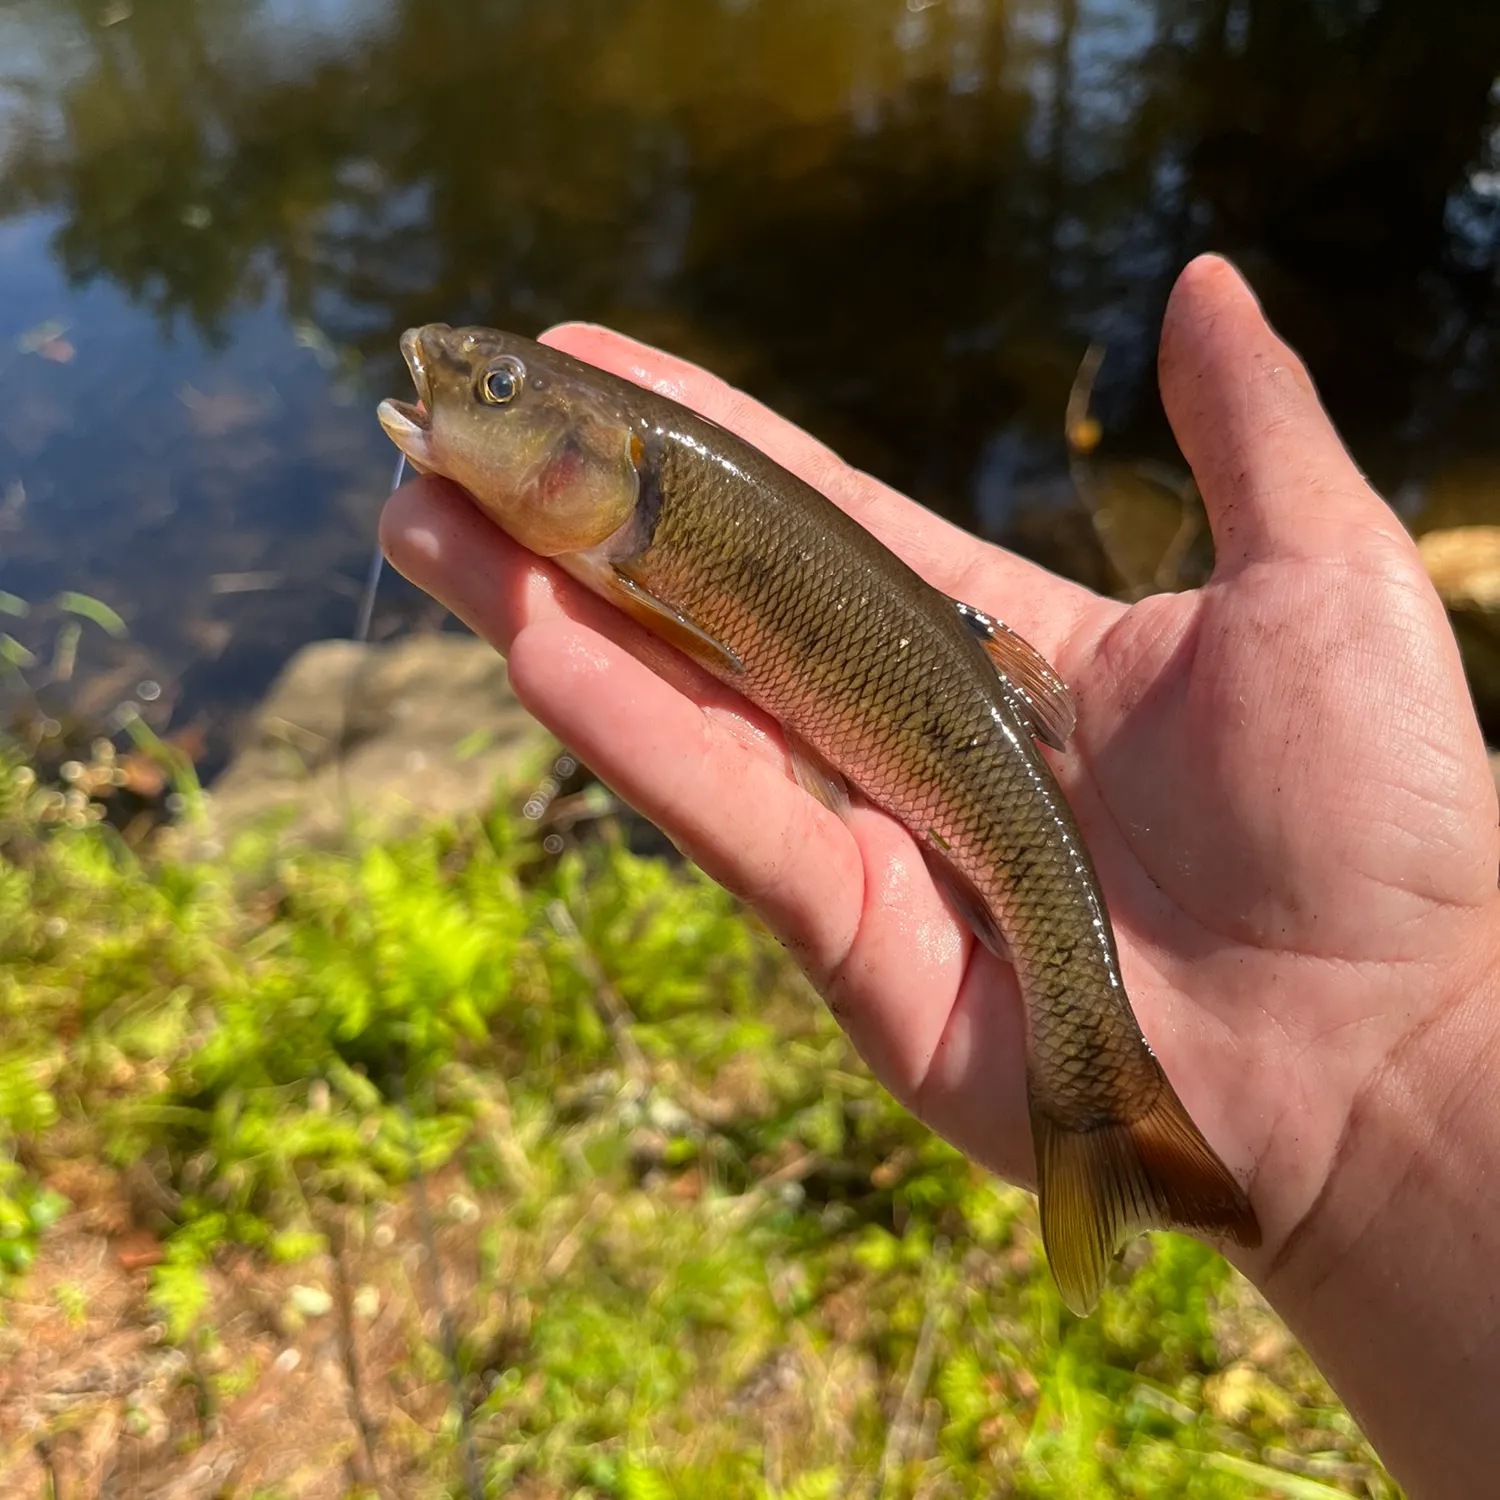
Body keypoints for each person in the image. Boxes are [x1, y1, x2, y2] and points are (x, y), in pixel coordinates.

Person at [381, 255, 1499, 1500]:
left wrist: (1411, 1063)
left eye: (494, 389)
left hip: (969, 763)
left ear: (602, 458)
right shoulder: (626, 499)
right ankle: (1114, 1116)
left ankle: (1101, 1097)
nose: (456, 386)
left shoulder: (657, 503)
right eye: (491, 387)